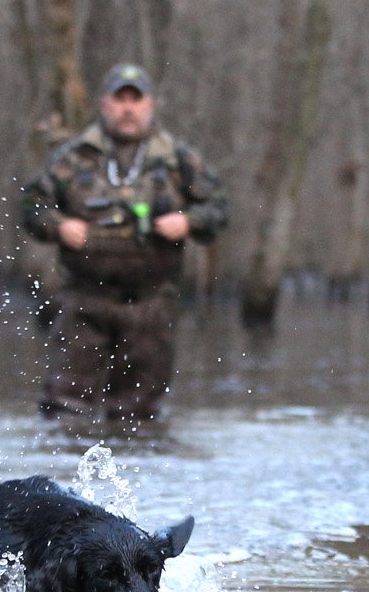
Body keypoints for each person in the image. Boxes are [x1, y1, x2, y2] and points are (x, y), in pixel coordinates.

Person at [17, 64, 228, 420]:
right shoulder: (73, 158)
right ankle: (65, 469)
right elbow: (31, 206)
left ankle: (135, 472)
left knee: (138, 414)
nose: (127, 108)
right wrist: (59, 225)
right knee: (64, 407)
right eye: (120, 100)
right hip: (85, 301)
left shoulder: (178, 160)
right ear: (104, 105)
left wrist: (188, 222)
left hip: (150, 303)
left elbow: (219, 208)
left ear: (150, 105)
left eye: (135, 99)